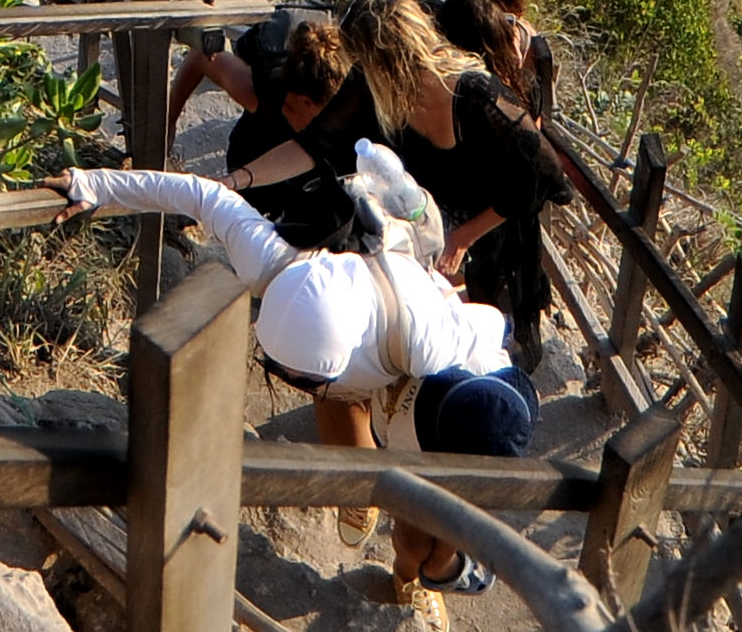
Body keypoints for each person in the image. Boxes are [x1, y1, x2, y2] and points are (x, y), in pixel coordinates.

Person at [51, 141, 530, 626]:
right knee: (361, 455)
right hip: (372, 344)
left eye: (304, 377)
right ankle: (365, 497)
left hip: (430, 379)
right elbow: (200, 195)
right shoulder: (276, 263)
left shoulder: (428, 339)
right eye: (290, 375)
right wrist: (93, 185)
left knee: (421, 513)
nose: (296, 381)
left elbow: (488, 327)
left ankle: (420, 572)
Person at [345, 0, 562, 360]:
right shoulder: (388, 97)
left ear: (384, 62)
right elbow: (324, 139)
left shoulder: (475, 95)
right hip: (435, 223)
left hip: (496, 228)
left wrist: (464, 236)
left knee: (497, 333)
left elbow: (543, 174)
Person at [174, 14, 367, 247]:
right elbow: (202, 58)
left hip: (316, 183)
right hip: (255, 162)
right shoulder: (261, 91)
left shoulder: (353, 113)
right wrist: (167, 122)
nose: (286, 109)